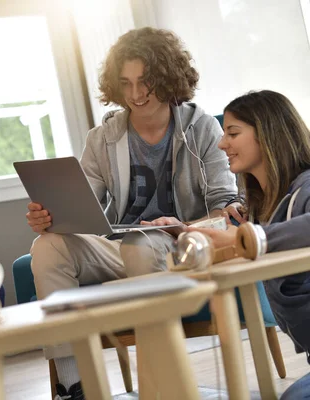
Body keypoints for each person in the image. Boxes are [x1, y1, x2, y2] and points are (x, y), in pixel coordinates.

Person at [25, 27, 236, 399]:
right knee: (47, 246)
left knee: (143, 245)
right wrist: (52, 217)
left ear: (168, 78)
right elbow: (82, 205)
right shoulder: (101, 139)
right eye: (126, 83)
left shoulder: (202, 128)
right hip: (122, 247)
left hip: (184, 247)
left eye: (146, 82)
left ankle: (160, 379)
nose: (136, 95)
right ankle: (74, 385)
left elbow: (226, 212)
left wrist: (181, 226)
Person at [188, 90, 310, 367]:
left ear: (268, 134)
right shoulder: (261, 210)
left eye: (232, 133)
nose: (221, 144)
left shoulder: (307, 187)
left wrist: (252, 238)